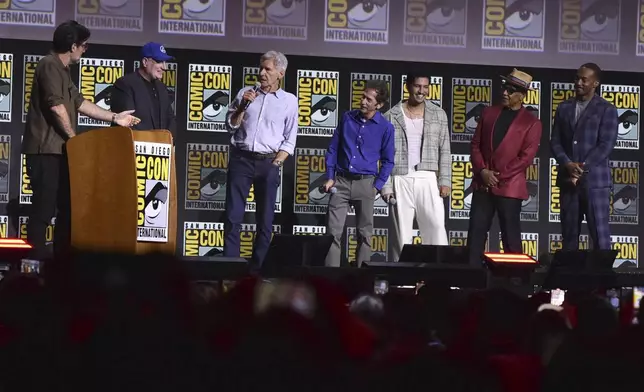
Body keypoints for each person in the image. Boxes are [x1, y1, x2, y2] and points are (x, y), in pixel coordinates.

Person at [21, 20, 140, 261]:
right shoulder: (48, 65)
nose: (85, 50)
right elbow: (56, 106)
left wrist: (116, 117)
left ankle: (62, 265)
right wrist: (74, 139)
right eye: (84, 46)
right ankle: (34, 268)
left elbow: (80, 103)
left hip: (61, 151)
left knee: (67, 208)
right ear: (73, 46)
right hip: (45, 151)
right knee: (43, 210)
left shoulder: (64, 70)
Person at [224, 50, 297, 268]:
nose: (262, 73)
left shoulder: (289, 101)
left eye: (268, 69)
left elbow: (290, 139)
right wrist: (242, 106)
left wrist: (276, 163)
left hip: (268, 163)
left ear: (280, 73)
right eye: (261, 68)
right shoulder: (245, 93)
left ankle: (256, 270)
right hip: (241, 160)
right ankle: (231, 268)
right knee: (232, 217)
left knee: (265, 222)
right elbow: (231, 125)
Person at [467, 69, 542, 265]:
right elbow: (475, 145)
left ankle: (515, 283)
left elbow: (525, 158)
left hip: (509, 187)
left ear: (522, 95)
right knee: (475, 237)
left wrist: (497, 176)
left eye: (511, 90)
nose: (505, 93)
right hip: (483, 185)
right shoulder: (488, 113)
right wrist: (483, 171)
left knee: (511, 238)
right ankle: (470, 283)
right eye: (505, 88)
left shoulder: (532, 123)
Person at [323, 80, 395, 267]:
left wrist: (377, 186)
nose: (362, 101)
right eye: (362, 96)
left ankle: (361, 280)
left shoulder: (386, 127)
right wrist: (330, 177)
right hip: (341, 182)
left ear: (378, 105)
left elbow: (388, 161)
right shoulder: (347, 118)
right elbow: (333, 149)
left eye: (368, 99)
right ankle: (331, 279)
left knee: (365, 235)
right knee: (333, 233)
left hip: (366, 184)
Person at [381, 73, 451, 262]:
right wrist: (386, 186)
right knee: (402, 235)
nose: (422, 91)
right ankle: (402, 282)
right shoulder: (390, 115)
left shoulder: (439, 114)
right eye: (417, 86)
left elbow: (445, 149)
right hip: (400, 178)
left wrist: (445, 180)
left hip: (428, 177)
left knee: (436, 228)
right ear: (408, 87)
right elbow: (384, 154)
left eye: (425, 87)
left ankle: (439, 277)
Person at [550, 63, 618, 251]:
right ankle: (570, 278)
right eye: (577, 78)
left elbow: (606, 145)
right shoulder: (563, 108)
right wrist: (567, 164)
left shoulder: (607, 109)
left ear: (595, 83)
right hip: (568, 182)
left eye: (584, 79)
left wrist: (580, 168)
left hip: (595, 184)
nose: (578, 82)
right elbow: (555, 141)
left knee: (600, 236)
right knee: (569, 237)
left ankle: (604, 279)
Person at [110, 42, 176, 138]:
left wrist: (168, 141)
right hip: (133, 149)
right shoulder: (125, 84)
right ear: (145, 62)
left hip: (160, 149)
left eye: (165, 62)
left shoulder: (162, 88)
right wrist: (151, 144)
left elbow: (170, 119)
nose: (164, 67)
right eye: (159, 61)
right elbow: (128, 123)